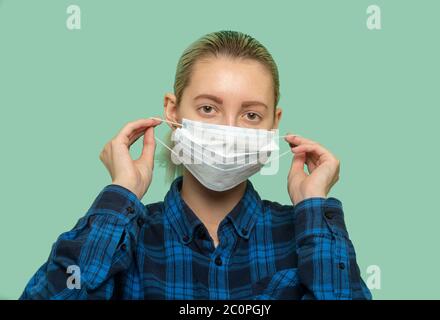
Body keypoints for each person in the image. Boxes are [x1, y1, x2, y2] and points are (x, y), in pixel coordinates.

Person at [20, 30, 371, 300]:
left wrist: (313, 206)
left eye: (251, 114)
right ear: (172, 111)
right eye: (208, 108)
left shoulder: (304, 237)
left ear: (273, 123)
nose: (228, 130)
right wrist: (121, 193)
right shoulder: (126, 239)